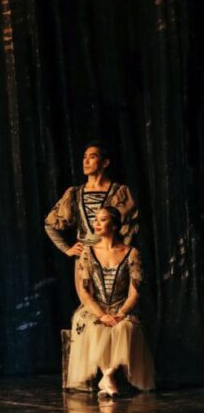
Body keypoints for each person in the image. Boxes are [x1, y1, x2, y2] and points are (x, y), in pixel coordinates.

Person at [65, 206, 154, 396]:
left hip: (120, 307)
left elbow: (134, 294)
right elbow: (84, 292)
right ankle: (107, 377)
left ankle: (108, 375)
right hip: (95, 308)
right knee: (95, 327)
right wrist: (101, 315)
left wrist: (121, 313)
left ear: (114, 225)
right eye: (95, 219)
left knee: (126, 328)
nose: (96, 223)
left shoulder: (131, 253)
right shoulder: (88, 252)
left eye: (103, 219)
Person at [45, 141, 138, 260]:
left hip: (112, 259)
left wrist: (121, 254)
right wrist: (67, 249)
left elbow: (130, 227)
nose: (86, 162)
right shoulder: (75, 193)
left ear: (105, 163)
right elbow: (50, 224)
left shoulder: (118, 192)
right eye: (85, 157)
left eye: (92, 157)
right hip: (84, 260)